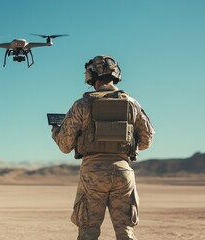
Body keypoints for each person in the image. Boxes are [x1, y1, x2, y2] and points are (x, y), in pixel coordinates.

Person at [51, 55, 155, 240]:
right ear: (116, 74)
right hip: (123, 172)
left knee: (88, 232)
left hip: (93, 174)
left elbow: (65, 146)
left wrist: (56, 132)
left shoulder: (82, 105)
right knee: (126, 232)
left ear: (91, 76)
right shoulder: (132, 104)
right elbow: (146, 141)